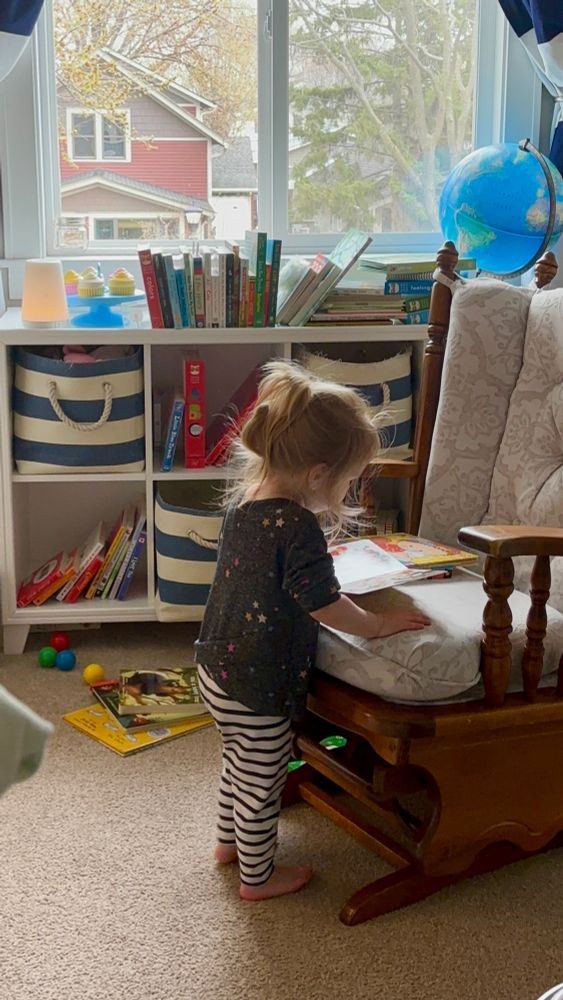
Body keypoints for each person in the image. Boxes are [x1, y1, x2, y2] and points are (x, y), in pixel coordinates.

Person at [195, 361, 430, 902]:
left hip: (217, 668)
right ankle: (258, 878)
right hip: (256, 683)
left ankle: (228, 844)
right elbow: (323, 602)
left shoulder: (245, 505)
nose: (350, 489)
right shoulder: (296, 525)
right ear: (319, 474)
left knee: (239, 759)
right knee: (264, 777)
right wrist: (374, 625)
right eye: (350, 478)